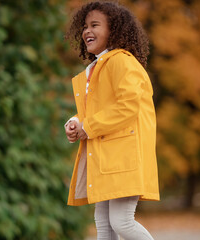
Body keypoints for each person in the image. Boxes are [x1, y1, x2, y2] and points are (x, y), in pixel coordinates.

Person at [64, 1, 159, 239]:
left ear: (114, 30)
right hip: (106, 160)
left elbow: (127, 106)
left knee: (122, 222)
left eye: (95, 25)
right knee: (104, 225)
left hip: (122, 158)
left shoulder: (121, 61)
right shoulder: (96, 69)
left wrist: (89, 127)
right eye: (85, 26)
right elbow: (96, 109)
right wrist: (77, 122)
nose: (87, 31)